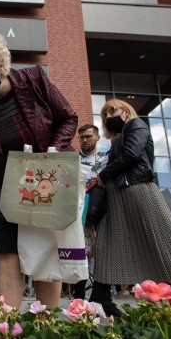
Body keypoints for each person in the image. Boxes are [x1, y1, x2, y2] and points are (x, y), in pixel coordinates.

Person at [0, 23, 78, 311]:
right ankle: (6, 328)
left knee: (46, 252)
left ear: (0, 64)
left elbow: (68, 117)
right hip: (4, 191)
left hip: (47, 182)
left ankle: (46, 323)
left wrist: (52, 153)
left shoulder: (34, 79)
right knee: (7, 253)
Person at [92, 99, 171, 316]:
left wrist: (101, 176)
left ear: (125, 111)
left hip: (139, 190)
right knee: (109, 243)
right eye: (104, 114)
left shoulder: (136, 125)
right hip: (120, 193)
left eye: (112, 111)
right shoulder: (117, 140)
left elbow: (132, 155)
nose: (109, 117)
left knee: (159, 240)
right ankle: (100, 297)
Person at [72, 124, 109, 300]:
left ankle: (100, 297)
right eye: (82, 137)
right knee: (82, 254)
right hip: (80, 214)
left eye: (88, 136)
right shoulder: (74, 159)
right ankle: (79, 297)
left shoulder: (105, 158)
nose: (85, 140)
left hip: (101, 212)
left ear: (97, 137)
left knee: (102, 253)